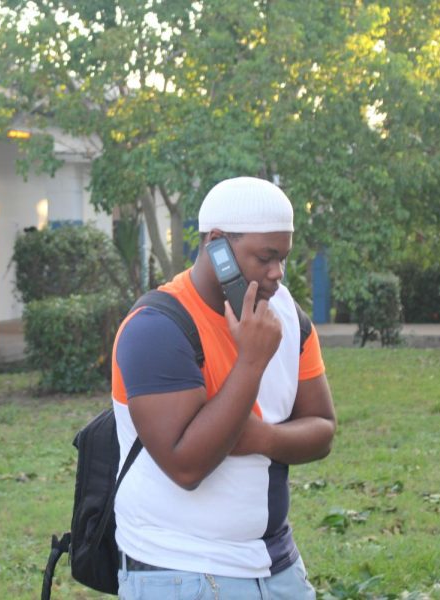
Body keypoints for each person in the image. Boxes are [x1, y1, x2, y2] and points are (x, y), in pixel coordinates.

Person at [111, 177, 336, 599]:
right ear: (216, 243)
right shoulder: (156, 328)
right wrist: (251, 361)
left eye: (284, 257)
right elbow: (187, 465)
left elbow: (322, 428)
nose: (277, 273)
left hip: (276, 565)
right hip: (180, 570)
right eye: (265, 257)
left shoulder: (286, 315)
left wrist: (262, 437)